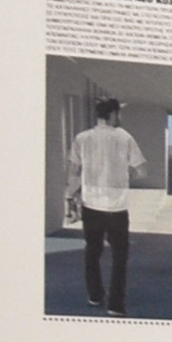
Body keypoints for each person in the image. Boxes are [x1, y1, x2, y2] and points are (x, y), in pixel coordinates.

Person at [71, 97, 137, 311]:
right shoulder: (125, 137)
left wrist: (69, 195)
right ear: (113, 114)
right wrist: (125, 173)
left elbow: (74, 172)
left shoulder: (82, 138)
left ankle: (95, 295)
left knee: (92, 252)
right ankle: (116, 305)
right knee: (120, 258)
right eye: (119, 113)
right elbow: (140, 169)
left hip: (91, 205)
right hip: (117, 207)